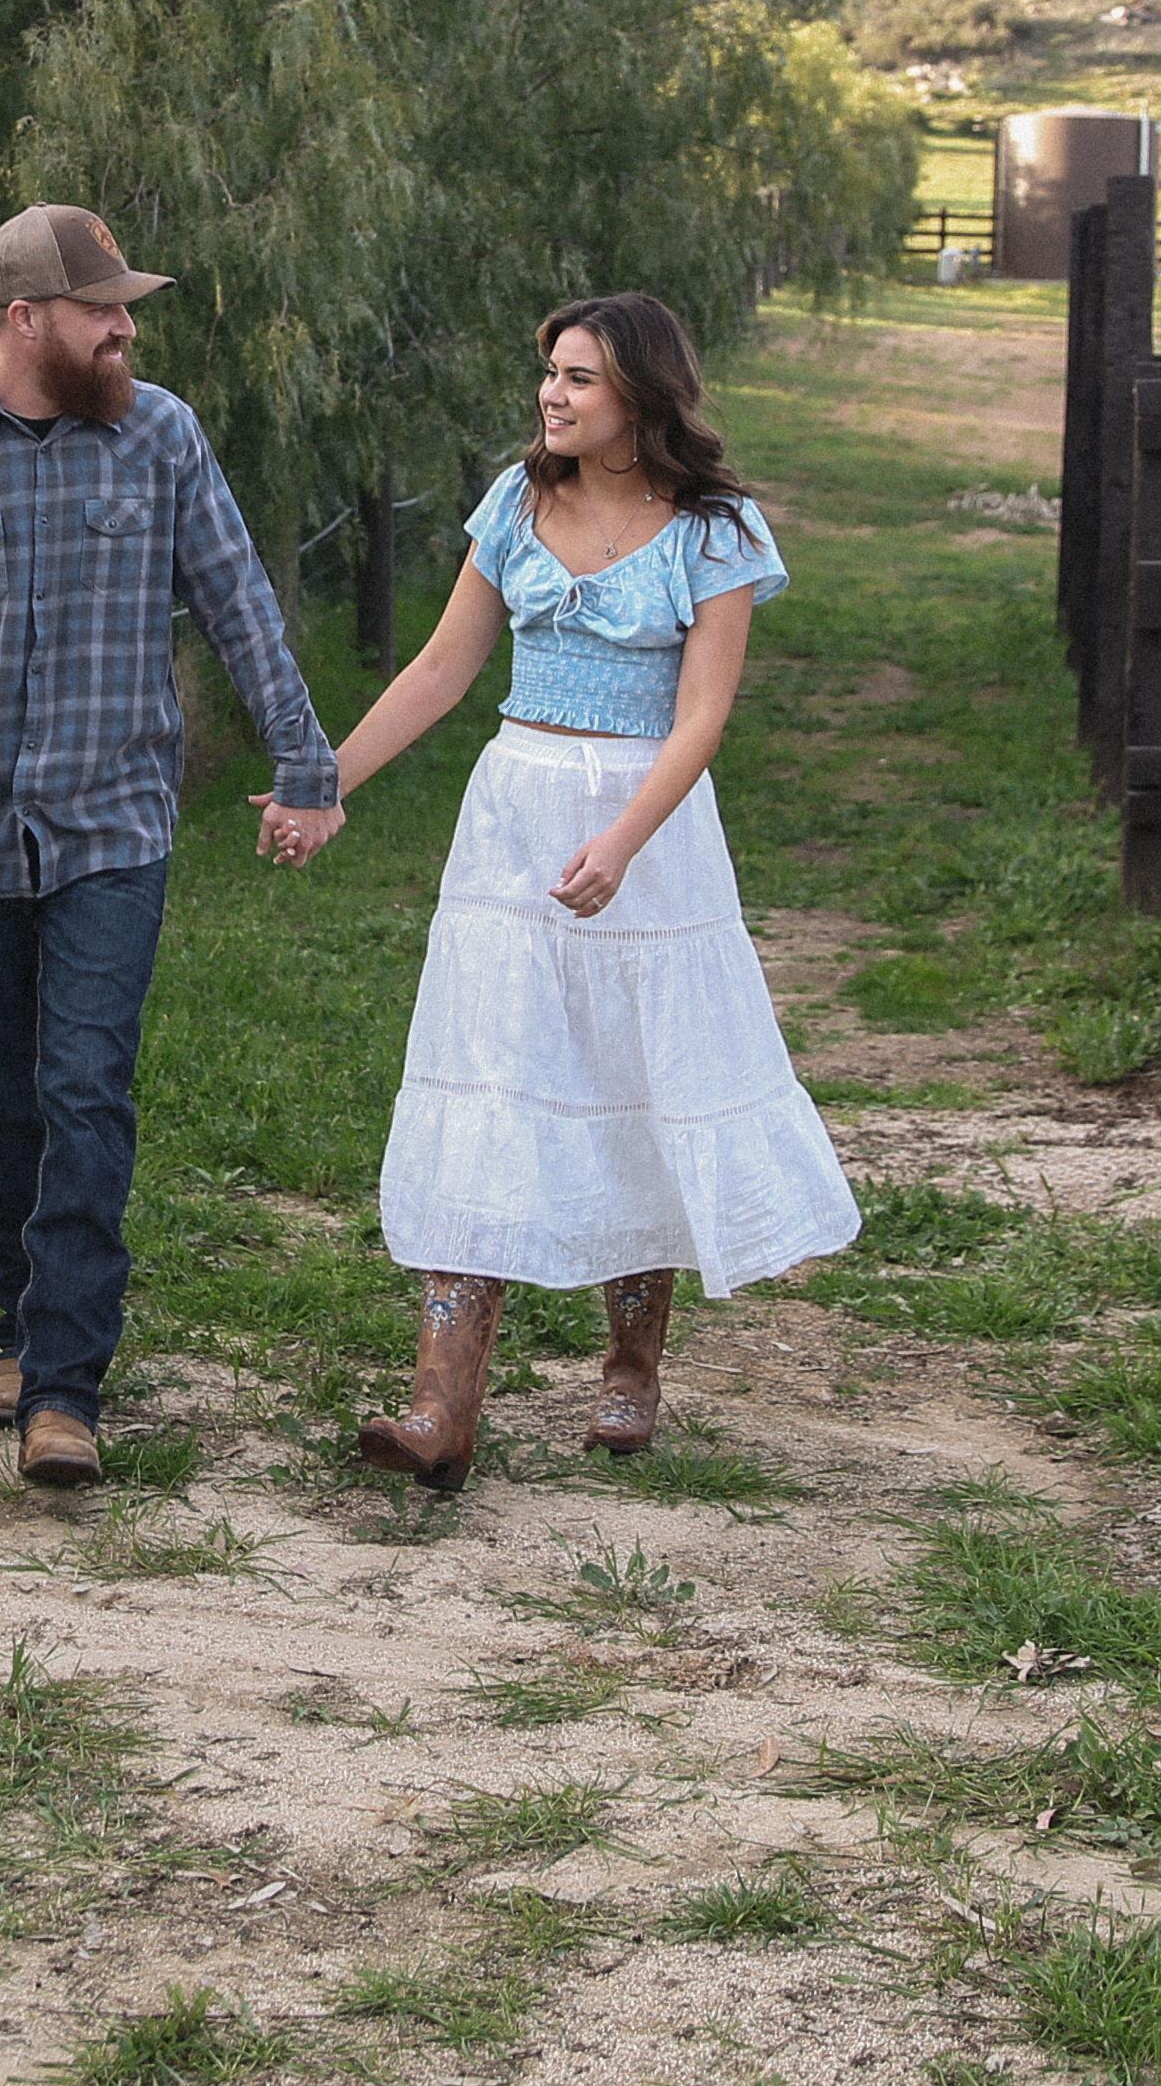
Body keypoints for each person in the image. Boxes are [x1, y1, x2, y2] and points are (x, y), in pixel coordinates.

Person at [0, 204, 347, 1491]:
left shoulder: (160, 437)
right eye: (101, 309)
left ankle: (64, 1389)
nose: (124, 329)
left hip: (115, 823)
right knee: (2, 1097)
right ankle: (21, 1323)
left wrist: (306, 765)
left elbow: (238, 600)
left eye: (124, 308)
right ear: (25, 318)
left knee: (86, 1086)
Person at [308, 288, 857, 1484]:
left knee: (633, 1072)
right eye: (550, 372)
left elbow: (702, 716)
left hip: (645, 822)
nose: (551, 395)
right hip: (513, 815)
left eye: (580, 377)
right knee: (489, 1070)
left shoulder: (716, 531)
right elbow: (444, 667)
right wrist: (328, 784)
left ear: (640, 397)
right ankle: (440, 1409)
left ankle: (631, 1367)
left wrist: (622, 842)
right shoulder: (515, 502)